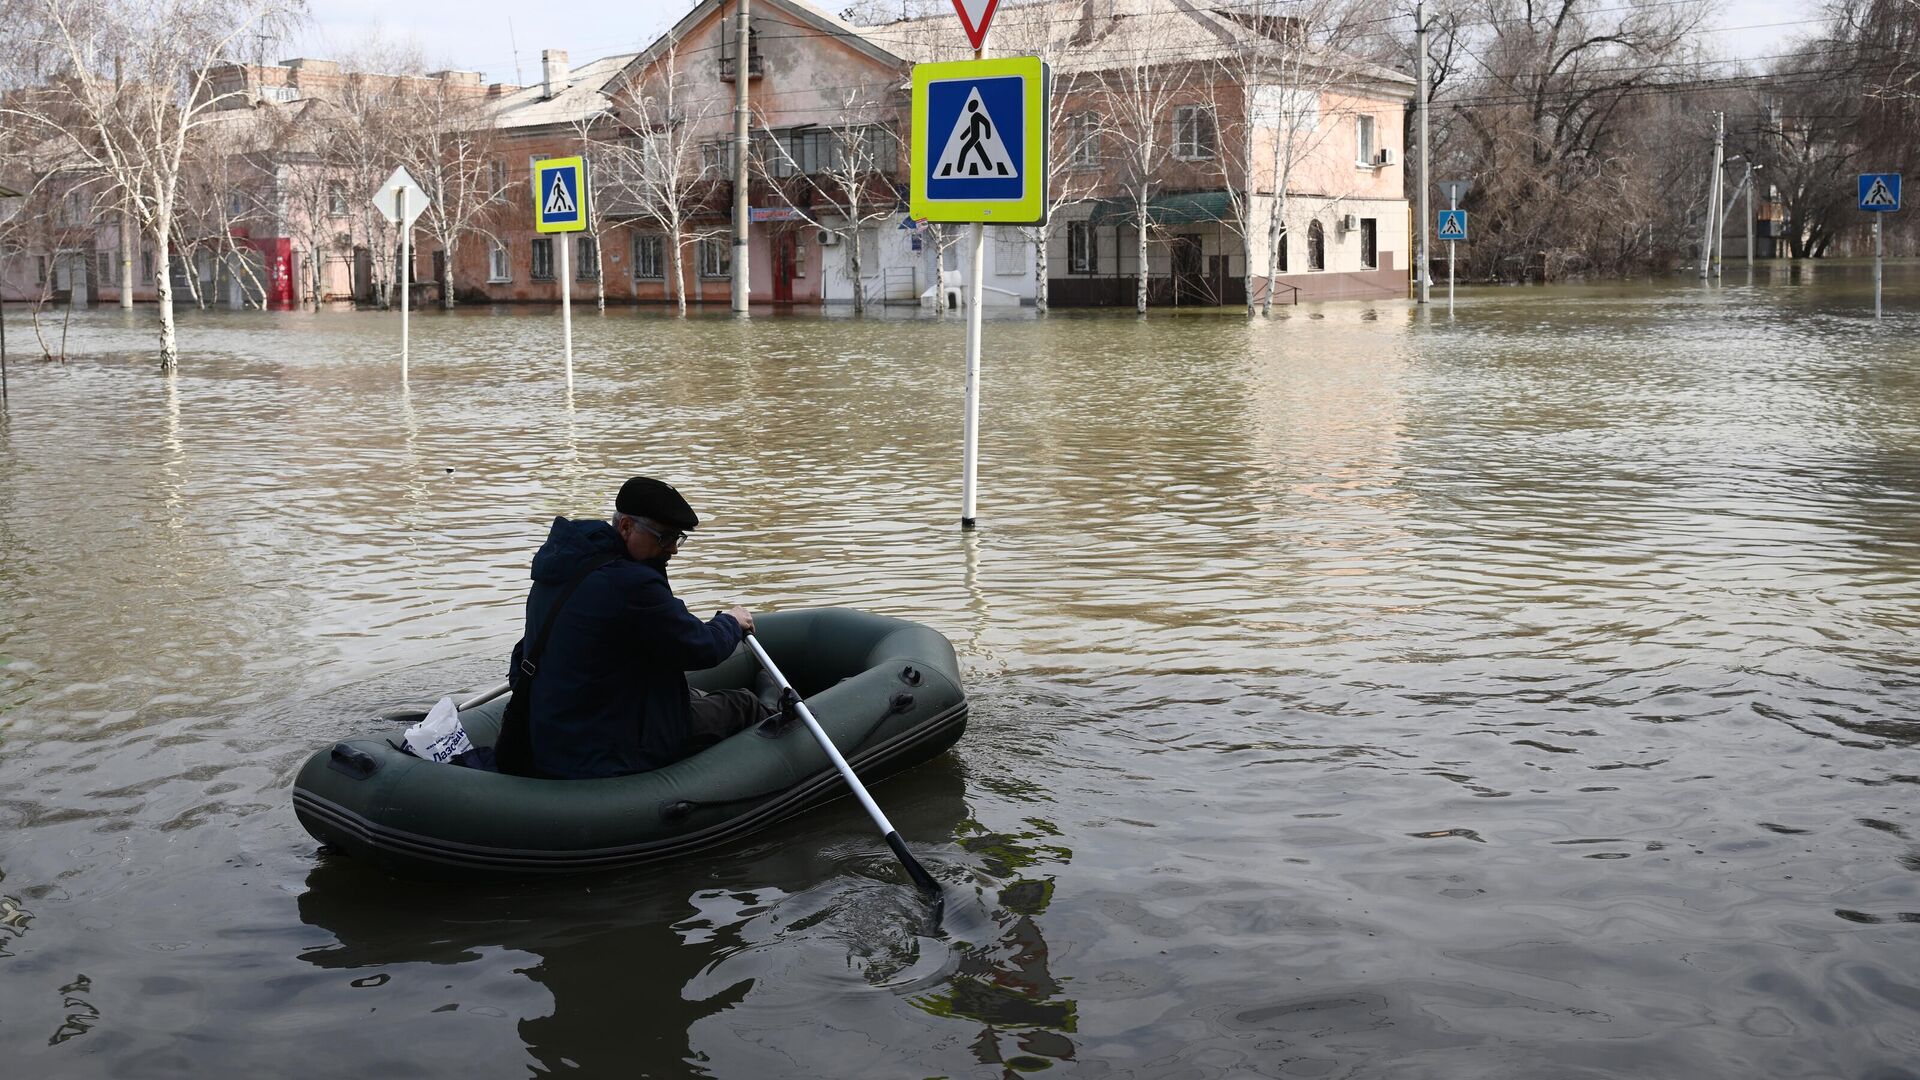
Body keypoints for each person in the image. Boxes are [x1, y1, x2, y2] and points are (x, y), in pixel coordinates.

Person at [506, 476, 773, 780]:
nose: (673, 549)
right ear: (626, 527)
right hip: (605, 748)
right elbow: (702, 647)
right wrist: (730, 621)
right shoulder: (631, 584)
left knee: (690, 694)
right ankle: (780, 717)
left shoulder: (566, 561)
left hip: (556, 730)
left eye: (678, 538)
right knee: (742, 704)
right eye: (665, 537)